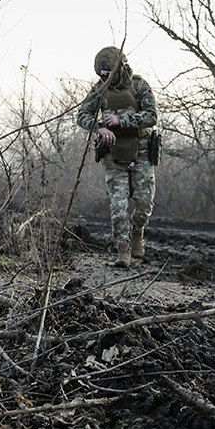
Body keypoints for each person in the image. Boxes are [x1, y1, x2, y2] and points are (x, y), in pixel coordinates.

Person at [76, 46, 159, 268]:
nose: (106, 79)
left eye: (109, 74)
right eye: (102, 75)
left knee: (144, 203)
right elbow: (82, 114)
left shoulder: (139, 86)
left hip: (141, 151)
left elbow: (152, 116)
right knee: (118, 207)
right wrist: (100, 127)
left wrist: (122, 121)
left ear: (120, 68)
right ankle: (123, 250)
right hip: (114, 154)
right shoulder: (100, 89)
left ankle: (137, 234)